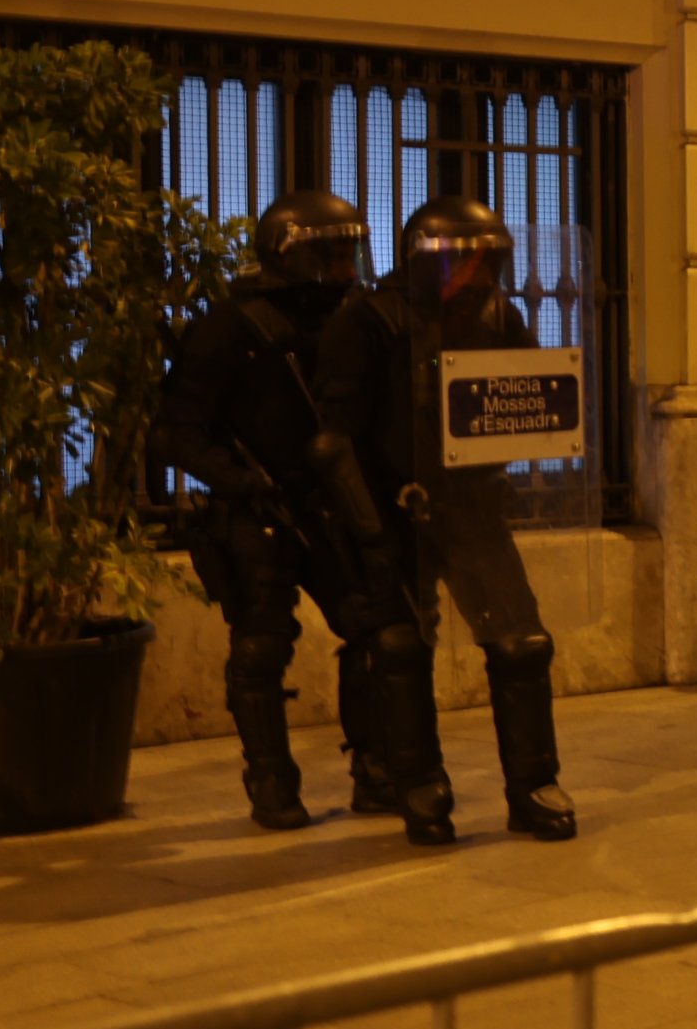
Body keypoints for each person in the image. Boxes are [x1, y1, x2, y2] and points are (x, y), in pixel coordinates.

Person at [312, 194, 574, 846]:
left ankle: (534, 783)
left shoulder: (496, 316)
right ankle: (419, 784)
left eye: (489, 261)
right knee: (402, 649)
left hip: (474, 505)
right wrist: (369, 528)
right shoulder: (368, 320)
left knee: (522, 642)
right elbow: (335, 440)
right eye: (464, 261)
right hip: (393, 510)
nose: (478, 274)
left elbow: (529, 396)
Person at [156, 189, 385, 829]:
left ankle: (376, 769)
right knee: (260, 646)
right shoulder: (232, 326)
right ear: (293, 255)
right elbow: (176, 429)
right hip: (260, 509)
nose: (345, 267)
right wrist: (240, 483)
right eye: (331, 255)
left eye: (350, 254)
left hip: (336, 506)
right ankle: (271, 781)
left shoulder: (356, 317)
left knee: (375, 627)